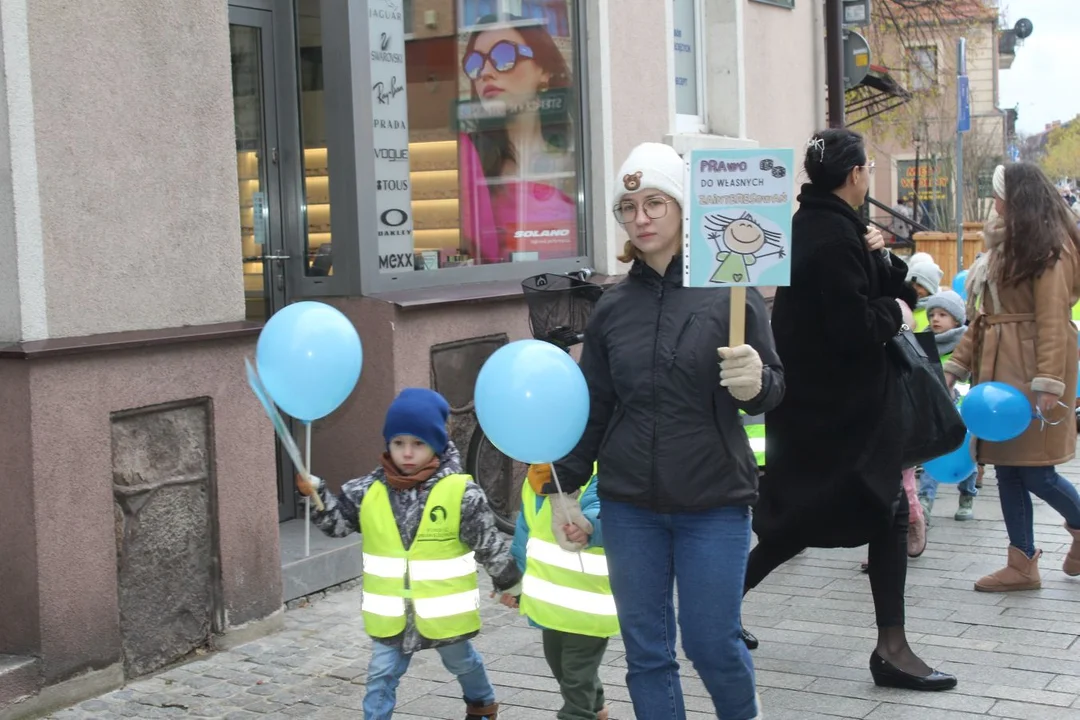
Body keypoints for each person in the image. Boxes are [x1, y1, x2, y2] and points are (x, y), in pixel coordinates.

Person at [529, 141, 783, 719]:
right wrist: (561, 491)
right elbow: (592, 406)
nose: (640, 217)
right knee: (646, 654)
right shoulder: (613, 309)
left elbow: (775, 387)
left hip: (713, 501)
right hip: (629, 508)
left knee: (710, 643)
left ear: (684, 208)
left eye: (655, 203)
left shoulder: (733, 292)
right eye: (628, 206)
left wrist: (756, 383)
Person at [743, 128, 957, 692]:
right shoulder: (833, 238)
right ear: (857, 174)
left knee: (803, 521)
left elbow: (878, 291)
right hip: (841, 415)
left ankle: (713, 606)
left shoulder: (822, 227)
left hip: (819, 412)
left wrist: (883, 265)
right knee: (873, 510)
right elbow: (853, 326)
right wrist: (892, 308)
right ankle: (892, 649)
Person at [298, 388, 521, 720]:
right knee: (381, 676)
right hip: (392, 615)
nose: (406, 452)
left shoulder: (461, 493)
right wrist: (316, 496)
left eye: (418, 443)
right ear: (387, 444)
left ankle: (482, 702)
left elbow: (488, 545)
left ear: (436, 445)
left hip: (444, 613)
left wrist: (511, 586)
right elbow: (337, 525)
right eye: (398, 442)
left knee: (461, 662)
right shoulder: (366, 491)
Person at [944, 163, 1080, 592]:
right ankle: (1022, 561)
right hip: (999, 374)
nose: (995, 203)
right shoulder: (1004, 247)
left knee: (1036, 471)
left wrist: (1047, 383)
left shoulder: (1049, 248)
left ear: (1018, 200)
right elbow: (983, 319)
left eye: (1000, 195)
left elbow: (1054, 320)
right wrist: (956, 367)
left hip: (1033, 370)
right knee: (1006, 467)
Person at [458, 14, 577, 264]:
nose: (485, 73)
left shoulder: (581, 156)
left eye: (503, 57)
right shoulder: (469, 160)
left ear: (543, 70)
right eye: (475, 64)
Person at [505, 465, 615, 720]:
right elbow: (525, 534)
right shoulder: (535, 479)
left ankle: (579, 714)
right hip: (552, 606)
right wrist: (514, 582)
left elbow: (605, 513)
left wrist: (589, 527)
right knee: (561, 667)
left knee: (576, 675)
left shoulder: (600, 472)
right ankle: (597, 705)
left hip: (589, 608)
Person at [917, 290, 979, 522]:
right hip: (933, 413)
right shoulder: (920, 343)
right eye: (932, 313)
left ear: (956, 319)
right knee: (932, 458)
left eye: (942, 314)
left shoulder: (966, 345)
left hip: (963, 412)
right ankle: (925, 502)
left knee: (966, 459)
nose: (935, 319)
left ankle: (966, 496)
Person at [906, 256, 943, 331]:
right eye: (911, 284)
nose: (914, 289)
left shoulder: (938, 312)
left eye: (920, 285)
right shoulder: (901, 307)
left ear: (930, 290)